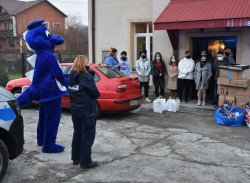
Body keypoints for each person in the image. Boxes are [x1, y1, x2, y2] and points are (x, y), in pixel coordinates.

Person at [68, 55, 100, 169]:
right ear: (84, 64)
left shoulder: (71, 76)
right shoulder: (86, 78)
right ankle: (85, 162)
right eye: (88, 62)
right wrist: (89, 74)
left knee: (77, 134)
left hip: (75, 110)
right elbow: (96, 94)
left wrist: (89, 72)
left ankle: (75, 158)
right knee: (87, 136)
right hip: (87, 111)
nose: (89, 63)